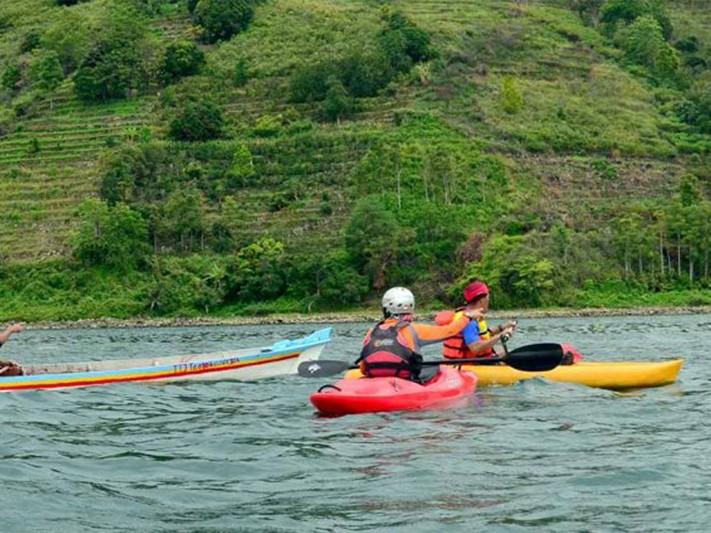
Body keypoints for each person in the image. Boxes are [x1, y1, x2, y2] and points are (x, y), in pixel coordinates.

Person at [356, 287, 481, 381]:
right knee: (439, 370)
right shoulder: (414, 329)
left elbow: (363, 367)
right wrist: (467, 317)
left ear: (386, 309)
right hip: (405, 379)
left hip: (374, 378)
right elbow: (449, 331)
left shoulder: (372, 331)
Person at [435, 280, 517, 359]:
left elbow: (483, 333)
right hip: (468, 366)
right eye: (488, 297)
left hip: (466, 363)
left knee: (503, 352)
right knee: (507, 355)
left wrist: (502, 327)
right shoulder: (469, 321)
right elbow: (475, 348)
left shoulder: (468, 314)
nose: (488, 300)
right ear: (482, 300)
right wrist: (501, 335)